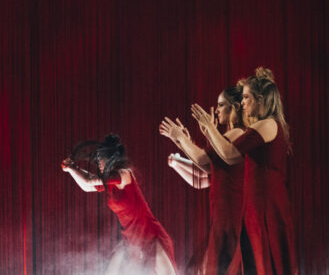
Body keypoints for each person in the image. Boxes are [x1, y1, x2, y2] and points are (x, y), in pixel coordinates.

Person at [191, 67, 297, 275]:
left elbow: (230, 154)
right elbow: (226, 155)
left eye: (247, 98)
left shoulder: (267, 124)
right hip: (255, 208)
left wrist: (210, 129)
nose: (243, 103)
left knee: (264, 265)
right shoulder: (262, 126)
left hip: (266, 207)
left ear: (260, 99)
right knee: (252, 265)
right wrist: (210, 132)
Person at [62, 134, 177, 275]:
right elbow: (88, 185)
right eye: (98, 160)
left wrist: (74, 168)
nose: (99, 163)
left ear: (111, 159)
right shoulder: (109, 182)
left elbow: (89, 181)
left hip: (150, 234)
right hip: (131, 237)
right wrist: (72, 169)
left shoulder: (124, 175)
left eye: (101, 160)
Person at [160, 85, 246, 275]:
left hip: (231, 218)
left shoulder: (238, 133)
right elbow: (205, 173)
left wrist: (181, 139)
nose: (217, 110)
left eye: (221, 105)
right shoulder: (229, 136)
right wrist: (181, 141)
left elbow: (203, 161)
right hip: (224, 217)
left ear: (235, 108)